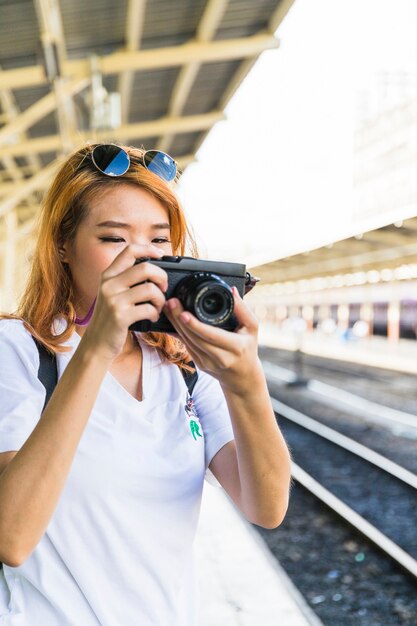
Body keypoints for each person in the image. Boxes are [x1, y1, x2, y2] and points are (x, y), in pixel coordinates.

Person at [0, 143, 291, 626]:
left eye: (159, 241)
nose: (143, 259)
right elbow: (12, 538)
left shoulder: (184, 365)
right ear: (63, 246)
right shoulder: (19, 348)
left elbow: (267, 507)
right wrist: (96, 344)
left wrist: (247, 383)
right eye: (115, 239)